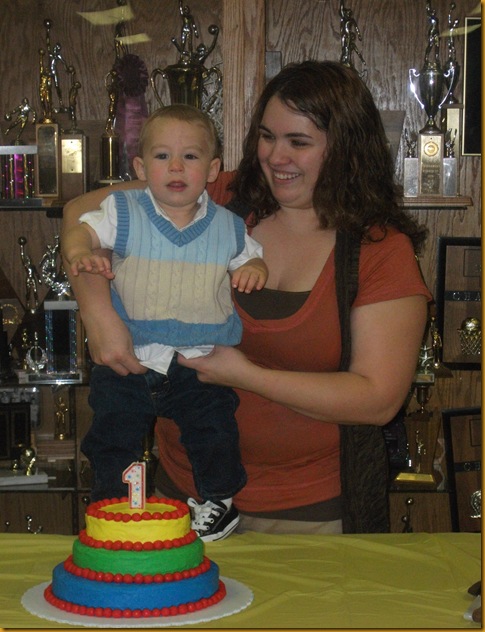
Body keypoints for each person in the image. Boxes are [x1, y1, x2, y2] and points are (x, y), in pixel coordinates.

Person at [63, 60, 431, 535]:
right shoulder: (216, 195)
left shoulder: (380, 250)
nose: (276, 156)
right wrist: (99, 317)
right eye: (267, 136)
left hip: (309, 512)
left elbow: (377, 399)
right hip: (181, 494)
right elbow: (81, 214)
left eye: (298, 142)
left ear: (345, 148)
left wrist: (246, 376)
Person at [62, 104, 267, 541]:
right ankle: (109, 508)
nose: (176, 167)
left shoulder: (229, 226)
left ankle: (218, 499)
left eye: (190, 156)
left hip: (198, 361)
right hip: (131, 358)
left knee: (214, 431)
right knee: (112, 435)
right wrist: (81, 251)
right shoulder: (123, 210)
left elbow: (251, 257)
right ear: (140, 168)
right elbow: (81, 227)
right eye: (162, 156)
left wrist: (254, 270)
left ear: (212, 170)